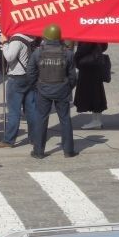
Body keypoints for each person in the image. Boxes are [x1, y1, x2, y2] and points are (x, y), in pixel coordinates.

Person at [30, 24, 77, 159]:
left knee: (41, 119)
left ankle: (39, 151)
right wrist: (68, 87)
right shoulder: (67, 53)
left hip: (43, 89)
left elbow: (31, 72)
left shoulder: (38, 52)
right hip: (62, 89)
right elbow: (73, 76)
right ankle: (68, 150)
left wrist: (36, 86)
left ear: (45, 36)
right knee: (65, 119)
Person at [0, 31, 36, 148]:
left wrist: (5, 43)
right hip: (28, 76)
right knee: (31, 110)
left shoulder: (16, 39)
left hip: (17, 77)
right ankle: (34, 137)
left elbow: (9, 57)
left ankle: (9, 140)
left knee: (14, 111)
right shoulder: (30, 36)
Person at [73, 42, 109, 130]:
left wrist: (75, 59)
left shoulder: (88, 36)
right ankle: (97, 120)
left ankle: (96, 121)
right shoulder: (99, 33)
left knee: (92, 94)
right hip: (96, 65)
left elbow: (83, 50)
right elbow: (104, 46)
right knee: (97, 93)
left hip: (88, 67)